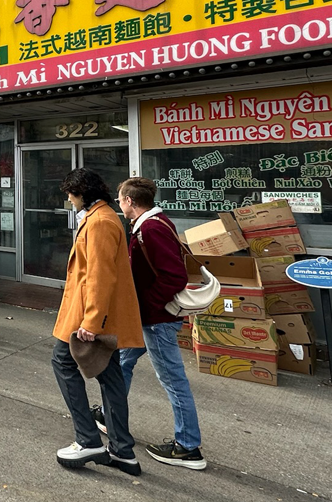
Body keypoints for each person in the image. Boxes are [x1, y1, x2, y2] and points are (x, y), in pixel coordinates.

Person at [52, 168, 144, 476]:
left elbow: (100, 276)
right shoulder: (102, 217)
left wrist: (91, 321)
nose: (69, 199)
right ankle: (122, 451)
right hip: (99, 313)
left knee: (63, 362)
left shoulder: (101, 222)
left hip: (89, 314)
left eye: (71, 193)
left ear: (82, 193)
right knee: (110, 375)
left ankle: (88, 439)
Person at [110, 177, 206, 470]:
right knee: (122, 360)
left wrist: (148, 306)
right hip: (148, 317)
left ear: (130, 201)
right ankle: (110, 412)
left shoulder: (151, 228)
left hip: (157, 320)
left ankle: (188, 446)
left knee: (173, 380)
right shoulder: (152, 223)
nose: (119, 204)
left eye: (120, 200)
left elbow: (174, 277)